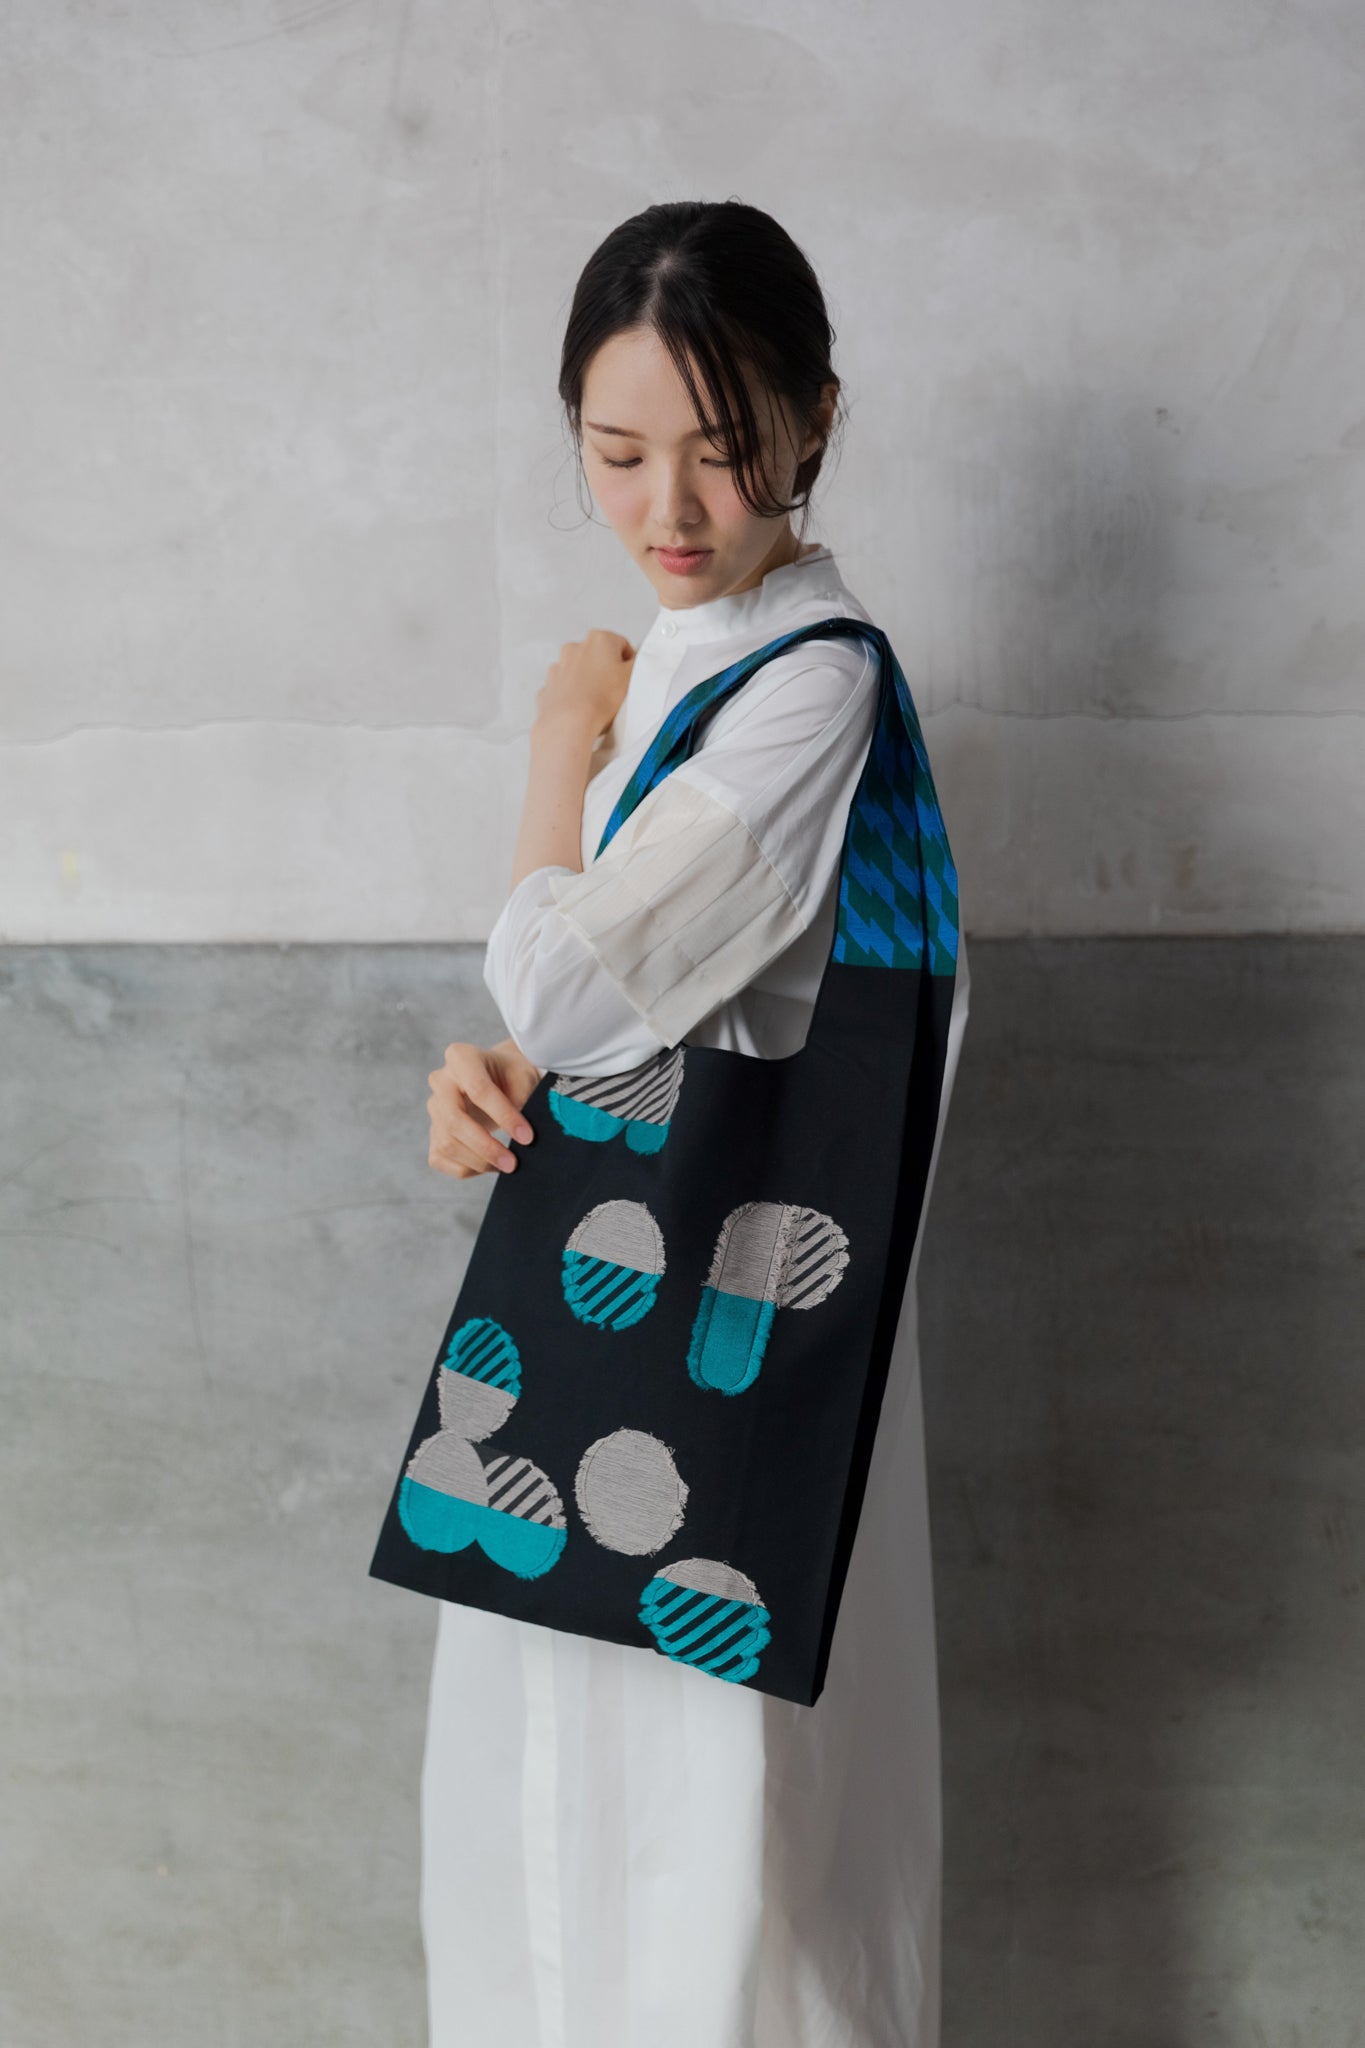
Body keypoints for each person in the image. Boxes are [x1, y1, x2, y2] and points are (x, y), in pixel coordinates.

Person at [419, 199, 971, 2048]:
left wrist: (553, 746)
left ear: (818, 422)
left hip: (716, 1362)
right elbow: (610, 1012)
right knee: (589, 1844)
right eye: (616, 452)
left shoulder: (807, 684)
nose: (668, 507)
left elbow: (566, 984)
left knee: (711, 1860)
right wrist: (497, 1076)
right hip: (625, 1346)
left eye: (722, 449)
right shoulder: (689, 656)